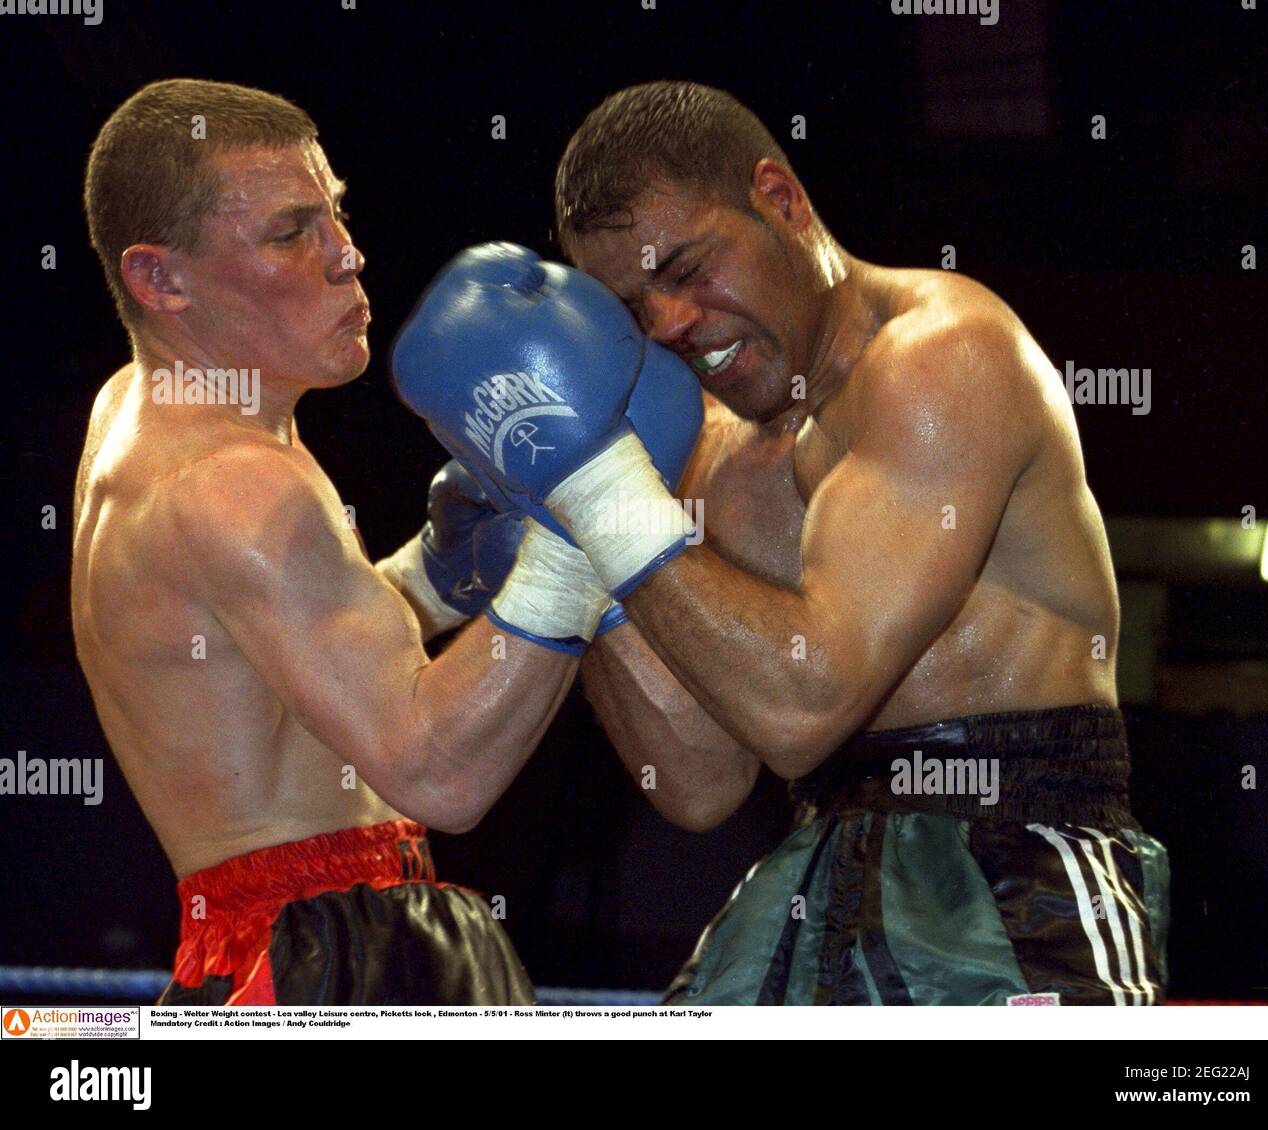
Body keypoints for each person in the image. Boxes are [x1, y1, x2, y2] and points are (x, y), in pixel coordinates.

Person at [410, 81, 1172, 1005]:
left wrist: (600, 491)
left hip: (1017, 860)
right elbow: (700, 782)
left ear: (780, 200)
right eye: (634, 306)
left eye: (687, 270)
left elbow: (806, 705)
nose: (670, 325)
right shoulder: (708, 448)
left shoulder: (940, 356)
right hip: (818, 862)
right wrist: (570, 549)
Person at [73, 79, 630, 1005]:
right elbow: (438, 773)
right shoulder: (238, 484)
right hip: (332, 951)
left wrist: (430, 578)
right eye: (292, 233)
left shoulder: (139, 410)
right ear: (159, 278)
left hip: (256, 947)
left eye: (336, 213)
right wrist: (582, 529)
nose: (347, 254)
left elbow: (269, 665)